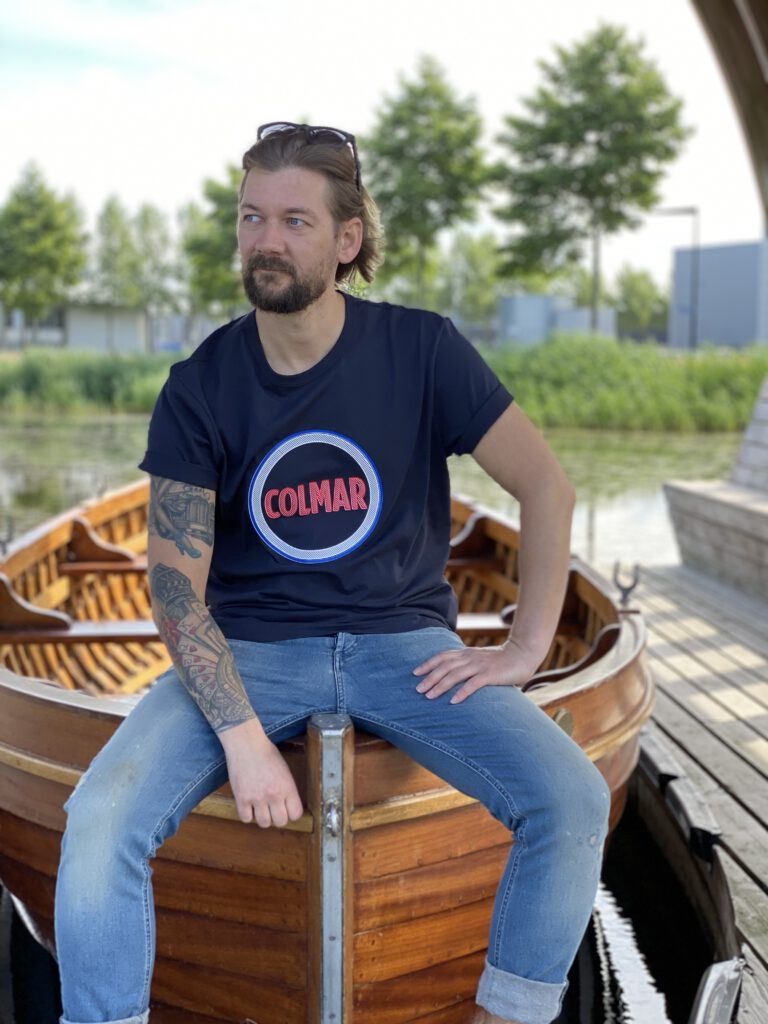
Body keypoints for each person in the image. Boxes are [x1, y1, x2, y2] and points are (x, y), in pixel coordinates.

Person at [54, 121, 610, 1024]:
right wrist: (243, 740)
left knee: (572, 797)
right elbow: (174, 589)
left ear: (347, 240)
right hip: (250, 654)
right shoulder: (200, 385)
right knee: (100, 818)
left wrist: (524, 648)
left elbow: (546, 485)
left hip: (406, 649)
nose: (266, 240)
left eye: (295, 221)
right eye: (251, 218)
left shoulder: (422, 350)